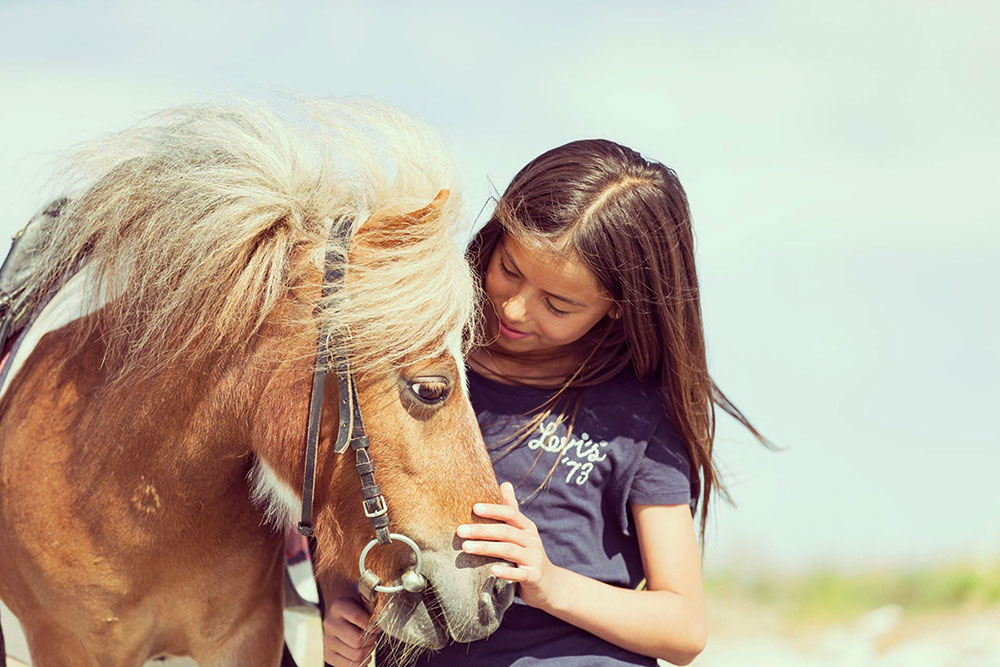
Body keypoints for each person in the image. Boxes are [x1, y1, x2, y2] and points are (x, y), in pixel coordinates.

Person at [320, 139, 770, 666]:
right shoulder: (424, 372)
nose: (513, 306)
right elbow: (346, 502)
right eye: (509, 268)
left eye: (557, 304)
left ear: (618, 309)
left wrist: (549, 582)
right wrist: (340, 609)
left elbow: (684, 627)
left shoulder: (637, 416)